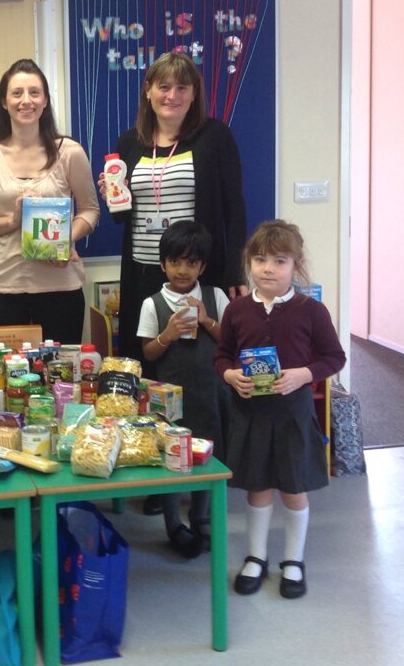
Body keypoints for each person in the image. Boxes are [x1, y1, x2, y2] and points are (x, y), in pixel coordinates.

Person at [214, 220, 346, 599]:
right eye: (259, 260)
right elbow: (221, 356)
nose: (268, 268)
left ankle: (293, 560)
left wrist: (304, 374)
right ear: (248, 262)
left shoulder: (312, 310)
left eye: (279, 261)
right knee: (257, 487)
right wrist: (230, 376)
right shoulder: (237, 310)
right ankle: (256, 557)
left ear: (296, 265)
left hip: (292, 413)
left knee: (293, 488)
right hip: (251, 413)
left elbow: (334, 357)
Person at [102, 52, 248, 373]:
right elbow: (121, 218)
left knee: (195, 362)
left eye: (182, 88)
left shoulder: (215, 137)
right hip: (143, 270)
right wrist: (113, 196)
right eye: (164, 87)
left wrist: (237, 272)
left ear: (194, 93)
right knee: (146, 359)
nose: (172, 96)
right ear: (148, 90)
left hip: (195, 270)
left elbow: (234, 210)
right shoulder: (130, 142)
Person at [0, 59, 99, 345]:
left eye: (34, 92)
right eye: (17, 93)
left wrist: (64, 240)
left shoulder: (70, 152)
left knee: (61, 381)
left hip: (60, 288)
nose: (26, 100)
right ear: (3, 101)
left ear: (46, 100)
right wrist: (12, 221)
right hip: (2, 287)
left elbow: (90, 211)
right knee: (7, 378)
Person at [138, 220, 229, 558]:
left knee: (206, 453)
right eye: (175, 262)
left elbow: (230, 343)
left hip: (208, 392)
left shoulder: (214, 296)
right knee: (172, 457)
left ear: (202, 266)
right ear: (163, 264)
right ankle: (173, 522)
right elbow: (148, 353)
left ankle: (201, 516)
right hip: (169, 399)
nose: (182, 270)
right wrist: (168, 335)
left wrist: (207, 321)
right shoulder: (153, 304)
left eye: (191, 263)